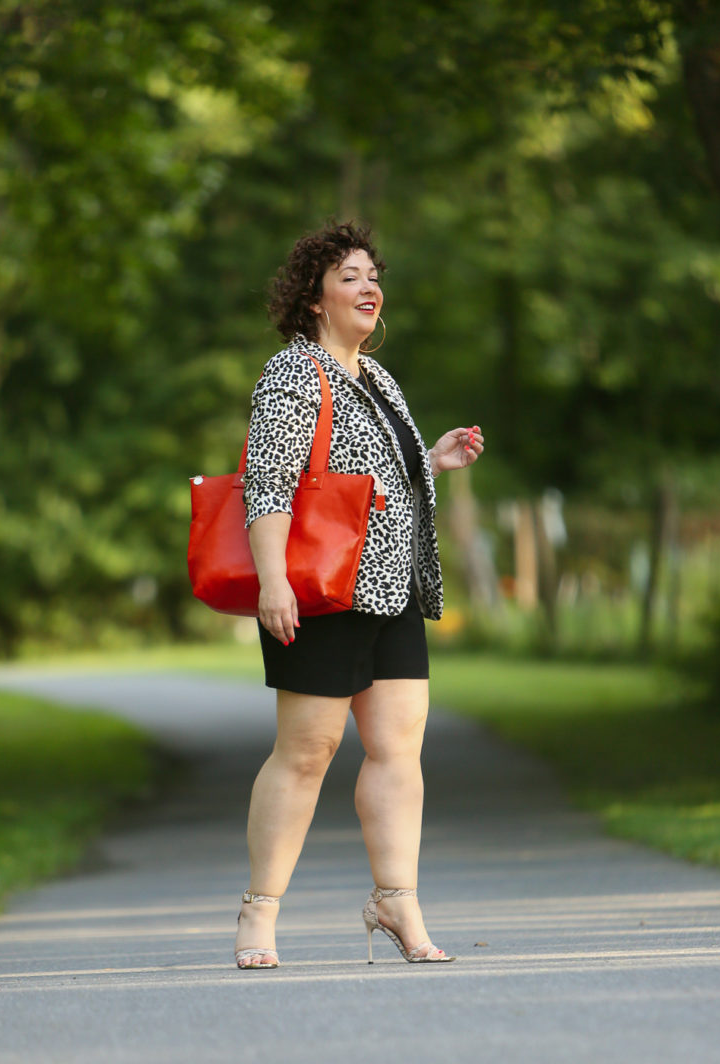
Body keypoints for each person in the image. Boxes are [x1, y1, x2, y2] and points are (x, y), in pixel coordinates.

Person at [235, 221, 484, 969]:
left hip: (392, 587)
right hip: (321, 589)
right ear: (314, 299)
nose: (370, 286)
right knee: (308, 750)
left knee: (398, 748)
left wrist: (430, 461)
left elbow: (367, 488)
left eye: (374, 275)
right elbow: (270, 484)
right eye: (350, 276)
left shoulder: (378, 379)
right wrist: (273, 580)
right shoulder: (292, 373)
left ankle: (396, 899)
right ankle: (259, 912)